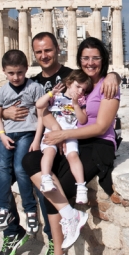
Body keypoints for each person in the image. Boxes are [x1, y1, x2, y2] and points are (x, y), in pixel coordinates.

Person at [0, 33, 120, 255]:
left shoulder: (107, 84)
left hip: (96, 143)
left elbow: (101, 126)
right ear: (79, 61)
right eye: (85, 58)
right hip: (70, 140)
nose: (90, 62)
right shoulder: (75, 82)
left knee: (56, 188)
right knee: (29, 163)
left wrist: (115, 74)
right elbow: (37, 110)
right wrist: (4, 114)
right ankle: (66, 219)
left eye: (96, 58)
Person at [0, 49, 51, 255]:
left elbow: (41, 113)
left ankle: (40, 223)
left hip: (31, 136)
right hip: (8, 136)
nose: (15, 77)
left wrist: (36, 139)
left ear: (26, 69)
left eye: (19, 73)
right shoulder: (4, 91)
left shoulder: (36, 87)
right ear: (5, 72)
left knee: (25, 171)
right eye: (11, 73)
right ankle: (11, 226)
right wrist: (2, 133)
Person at [35, 69, 93, 205]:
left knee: (73, 156)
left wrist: (76, 105)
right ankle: (46, 178)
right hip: (51, 133)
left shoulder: (81, 101)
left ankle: (81, 187)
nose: (80, 91)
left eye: (83, 90)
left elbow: (83, 120)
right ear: (68, 83)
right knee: (49, 152)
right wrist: (51, 93)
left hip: (70, 134)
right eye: (78, 86)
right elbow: (39, 105)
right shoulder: (56, 97)